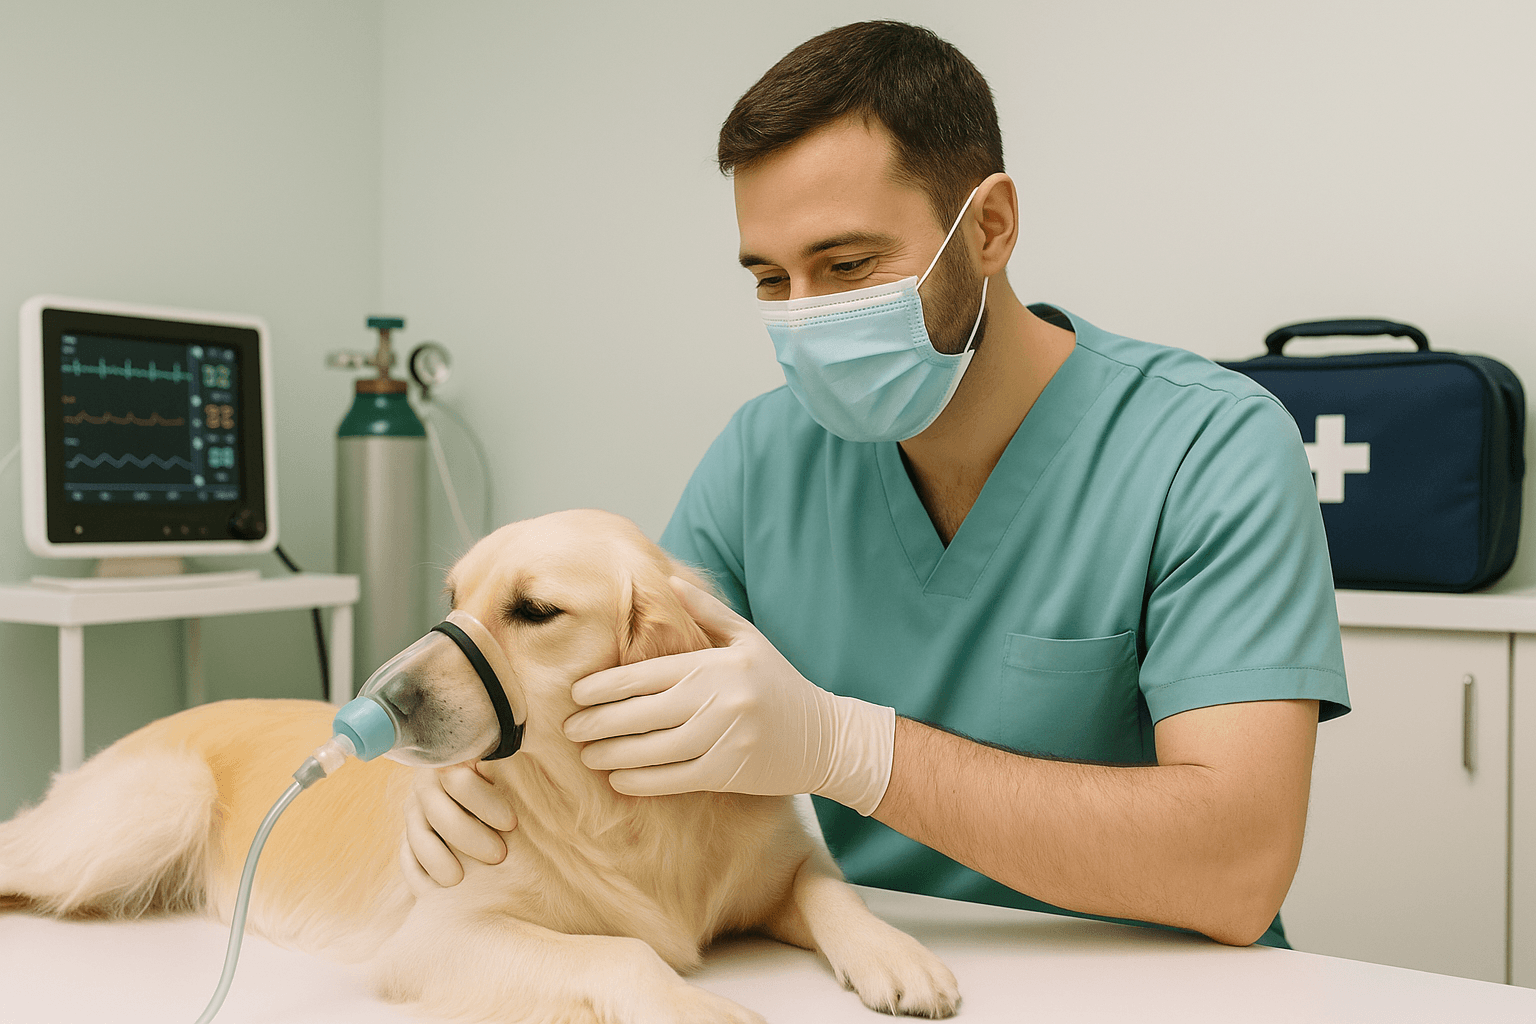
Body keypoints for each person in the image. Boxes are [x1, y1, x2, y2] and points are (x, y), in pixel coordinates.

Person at [403, 20, 1350, 949]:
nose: (807, 319)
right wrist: (479, 760)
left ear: (990, 226)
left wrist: (849, 749)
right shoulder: (763, 456)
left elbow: (1237, 868)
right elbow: (627, 724)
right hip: (867, 969)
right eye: (771, 279)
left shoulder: (1210, 447)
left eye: (848, 264)